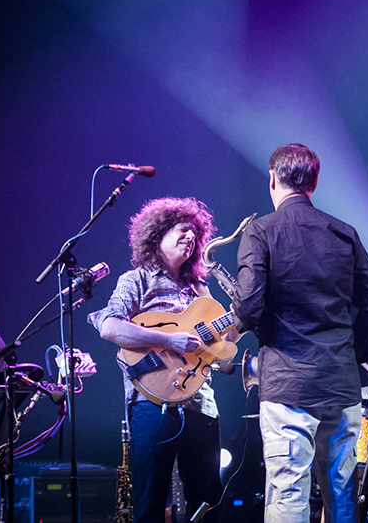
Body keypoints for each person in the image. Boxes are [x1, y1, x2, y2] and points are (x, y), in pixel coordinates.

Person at [230, 143, 368, 523]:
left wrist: (235, 326)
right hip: (340, 384)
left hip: (287, 386)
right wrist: (355, 350)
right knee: (343, 496)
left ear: (272, 180)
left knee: (288, 492)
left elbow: (249, 305)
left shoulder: (261, 231)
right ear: (314, 183)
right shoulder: (344, 232)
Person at [88, 197, 224, 523]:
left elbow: (223, 349)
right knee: (150, 499)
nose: (190, 237)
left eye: (195, 233)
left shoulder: (200, 289)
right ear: (158, 234)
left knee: (208, 499)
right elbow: (110, 326)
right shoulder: (136, 280)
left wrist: (238, 327)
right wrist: (168, 339)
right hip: (151, 403)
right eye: (182, 230)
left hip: (200, 403)